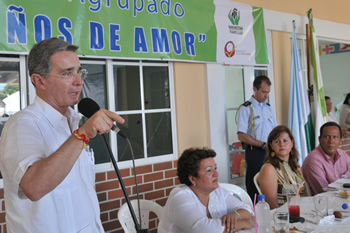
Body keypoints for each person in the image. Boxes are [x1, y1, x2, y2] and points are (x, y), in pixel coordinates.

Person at [0, 38, 125, 232]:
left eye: (79, 71)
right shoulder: (22, 124)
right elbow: (34, 187)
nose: (78, 81)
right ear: (38, 80)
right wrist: (82, 135)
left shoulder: (73, 120)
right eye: (67, 73)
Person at [158, 148, 252, 233]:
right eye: (209, 171)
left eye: (215, 168)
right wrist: (244, 223)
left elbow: (247, 210)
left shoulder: (217, 191)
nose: (216, 174)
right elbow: (206, 230)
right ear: (193, 179)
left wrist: (235, 215)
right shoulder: (179, 197)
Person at [236, 75, 278, 201]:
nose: (266, 95)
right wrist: (261, 144)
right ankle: (254, 212)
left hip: (271, 150)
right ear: (255, 89)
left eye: (268, 92)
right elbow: (241, 135)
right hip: (256, 151)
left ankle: (271, 207)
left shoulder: (268, 107)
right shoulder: (246, 108)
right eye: (263, 92)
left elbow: (275, 130)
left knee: (272, 180)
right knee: (255, 184)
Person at [258, 125, 306, 209]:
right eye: (277, 141)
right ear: (271, 146)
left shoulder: (295, 165)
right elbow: (272, 205)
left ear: (292, 143)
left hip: (304, 211)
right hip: (284, 216)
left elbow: (306, 193)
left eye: (285, 141)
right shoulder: (268, 168)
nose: (281, 144)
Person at [301, 122, 350, 195]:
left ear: (340, 141)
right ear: (319, 139)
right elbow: (324, 191)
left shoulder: (343, 155)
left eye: (335, 137)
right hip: (323, 203)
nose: (331, 141)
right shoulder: (313, 160)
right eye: (327, 137)